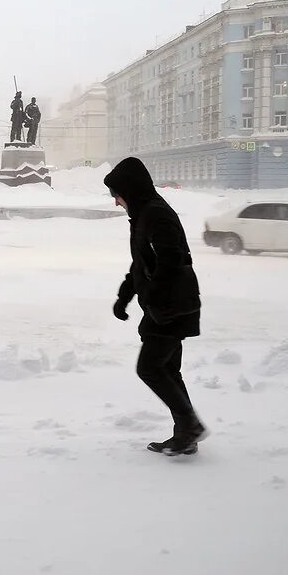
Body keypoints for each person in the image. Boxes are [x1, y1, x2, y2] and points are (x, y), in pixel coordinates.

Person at [104, 157, 207, 456]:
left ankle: (190, 427)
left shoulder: (156, 215)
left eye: (116, 195)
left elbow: (171, 260)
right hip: (169, 305)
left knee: (149, 368)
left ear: (129, 190)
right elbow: (141, 263)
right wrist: (125, 296)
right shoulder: (144, 214)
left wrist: (154, 299)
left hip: (171, 306)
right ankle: (186, 433)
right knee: (169, 370)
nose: (116, 202)